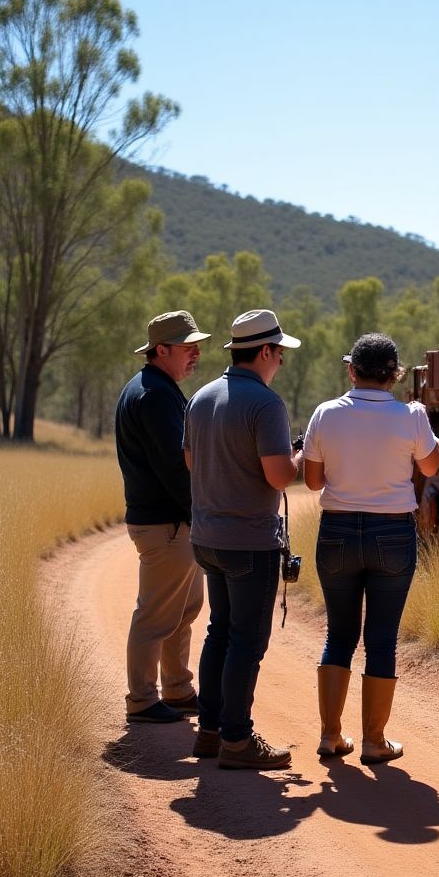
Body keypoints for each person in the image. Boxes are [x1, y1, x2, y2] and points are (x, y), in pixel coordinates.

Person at [303, 332, 439, 764]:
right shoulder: (412, 415)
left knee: (339, 634)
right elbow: (432, 466)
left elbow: (311, 481)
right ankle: (374, 741)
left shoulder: (325, 414)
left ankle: (331, 736)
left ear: (351, 371)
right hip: (392, 534)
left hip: (338, 530)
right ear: (394, 375)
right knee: (381, 639)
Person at [183, 309, 302, 770]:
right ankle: (237, 739)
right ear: (266, 351)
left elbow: (192, 463)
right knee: (247, 642)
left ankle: (210, 732)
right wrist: (299, 455)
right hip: (249, 542)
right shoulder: (266, 405)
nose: (281, 363)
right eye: (280, 354)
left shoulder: (201, 397)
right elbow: (278, 477)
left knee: (219, 632)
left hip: (207, 537)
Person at [116, 310, 211, 724]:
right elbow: (175, 468)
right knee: (156, 616)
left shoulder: (154, 387)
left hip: (172, 523)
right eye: (187, 347)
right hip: (166, 524)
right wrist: (203, 515)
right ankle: (141, 699)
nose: (196, 354)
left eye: (196, 346)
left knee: (182, 611)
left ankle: (176, 689)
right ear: (161, 350)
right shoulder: (154, 394)